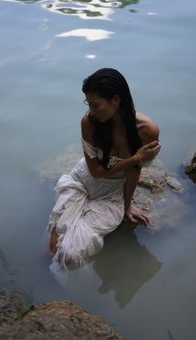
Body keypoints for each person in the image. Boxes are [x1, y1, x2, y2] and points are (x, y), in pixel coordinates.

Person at [47, 68, 160, 270]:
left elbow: (135, 171)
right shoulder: (89, 122)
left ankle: (78, 290)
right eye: (88, 104)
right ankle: (52, 289)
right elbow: (96, 171)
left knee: (69, 257)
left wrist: (127, 206)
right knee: (53, 246)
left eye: (95, 104)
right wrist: (136, 157)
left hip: (110, 195)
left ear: (116, 100)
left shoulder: (146, 130)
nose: (91, 110)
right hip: (81, 181)